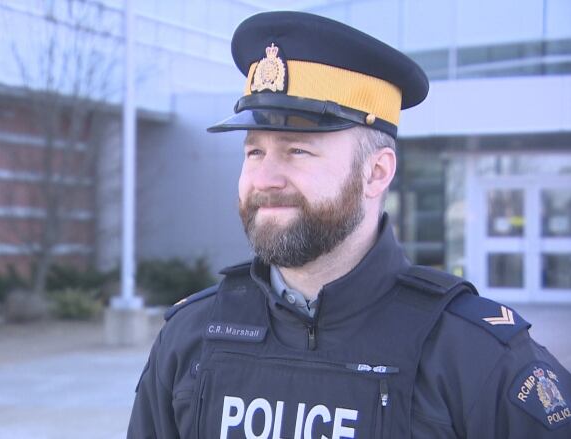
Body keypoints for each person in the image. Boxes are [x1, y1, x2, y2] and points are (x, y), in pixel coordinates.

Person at [128, 11, 571, 439]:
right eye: (254, 152)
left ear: (377, 172)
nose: (264, 178)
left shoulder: (479, 358)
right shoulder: (190, 338)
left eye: (298, 151)